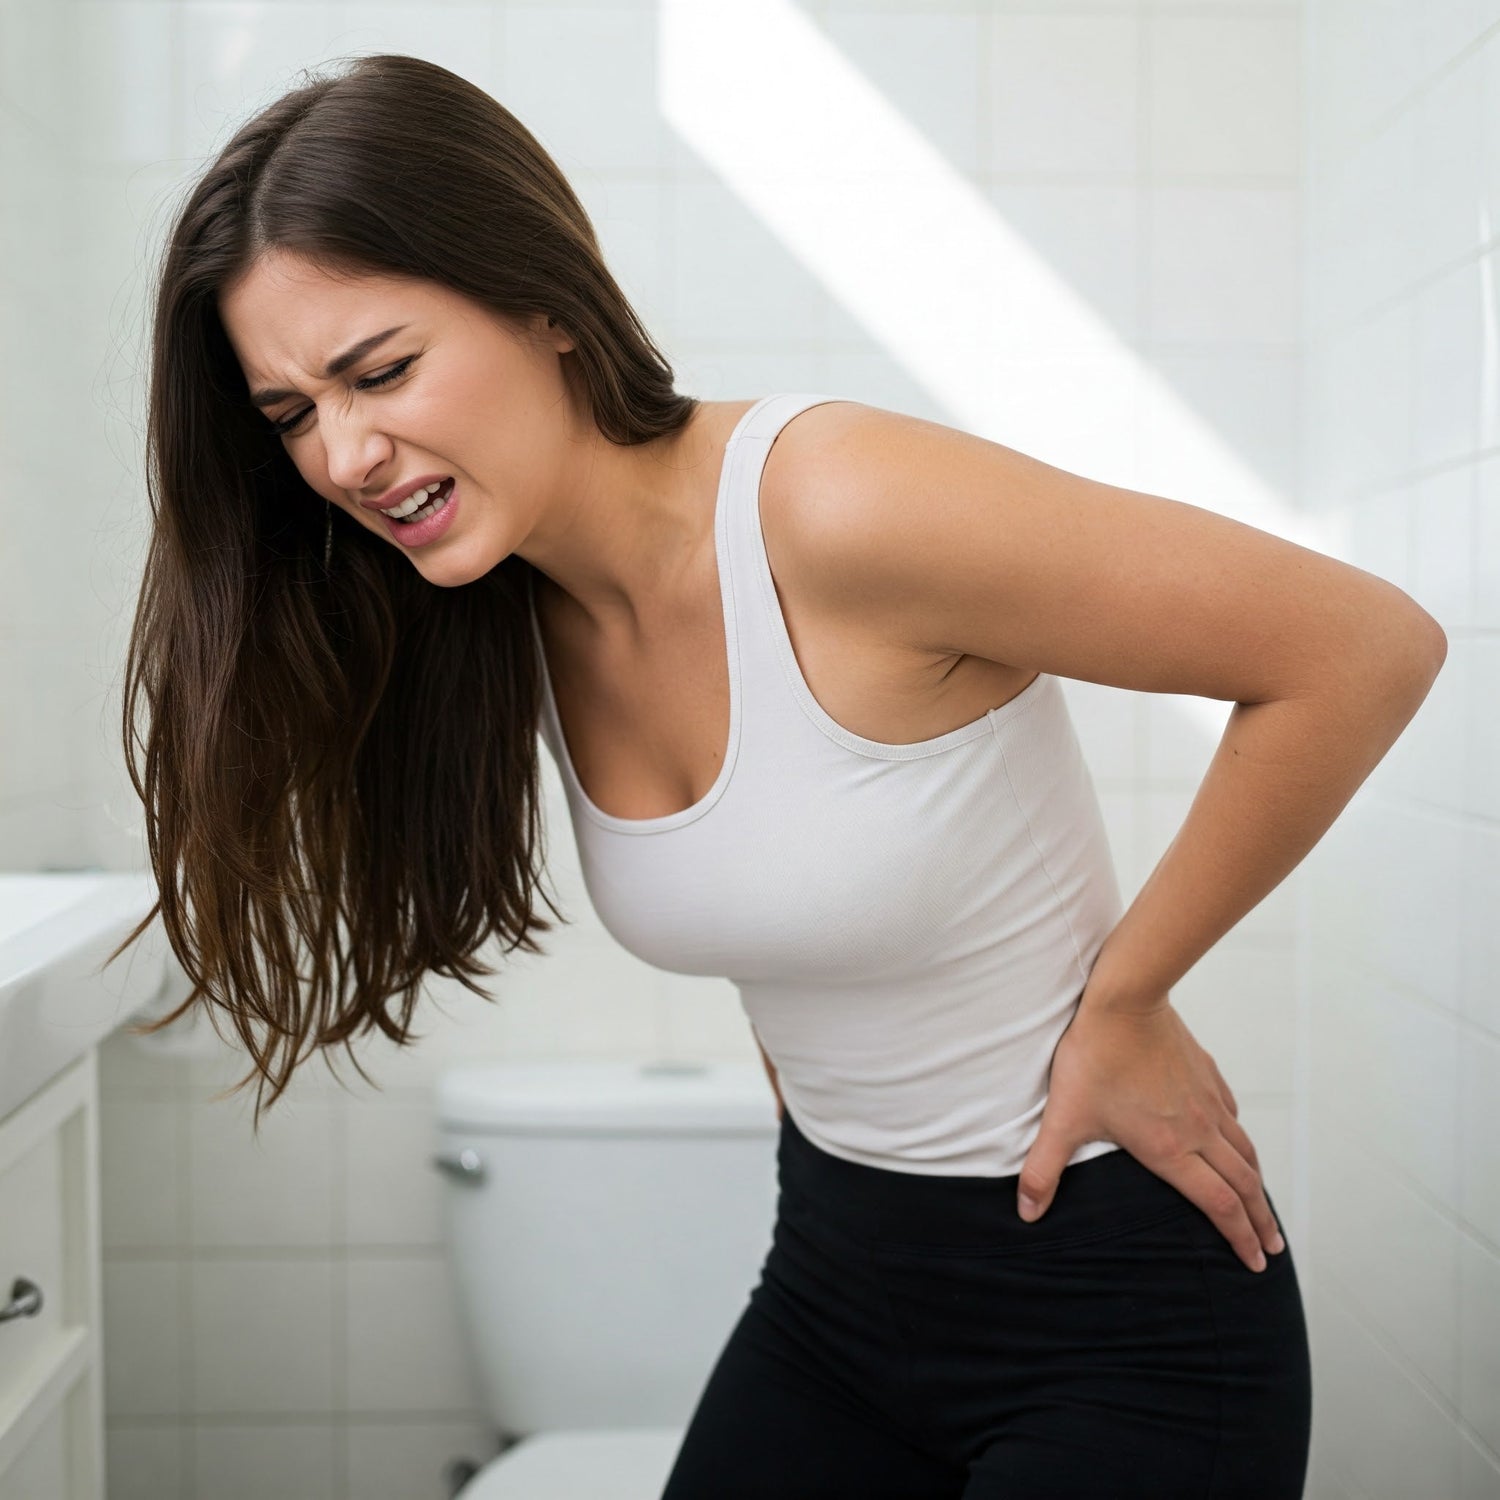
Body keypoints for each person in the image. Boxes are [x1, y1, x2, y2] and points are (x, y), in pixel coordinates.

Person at [116, 51, 1445, 1500]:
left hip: (1116, 1312)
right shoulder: (499, 609)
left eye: (380, 371)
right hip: (835, 1289)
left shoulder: (833, 504)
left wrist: (1125, 1003)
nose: (347, 454)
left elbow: (1361, 648)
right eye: (292, 413)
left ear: (544, 300)